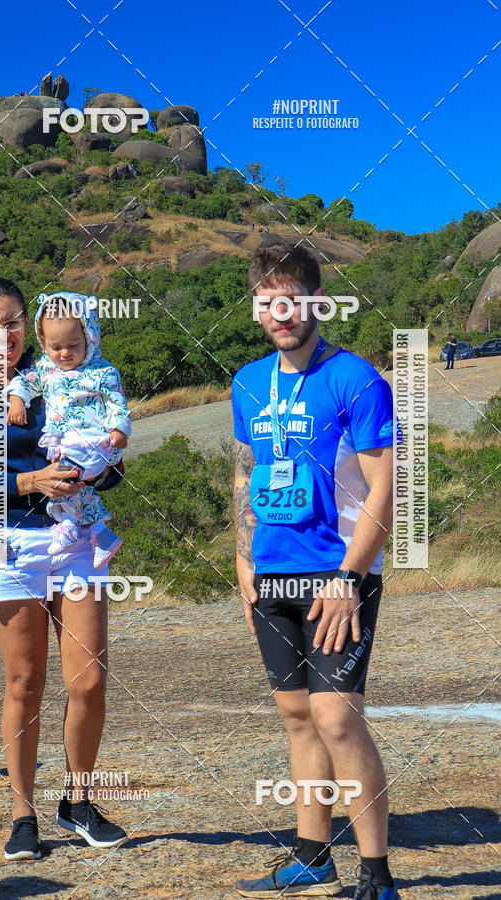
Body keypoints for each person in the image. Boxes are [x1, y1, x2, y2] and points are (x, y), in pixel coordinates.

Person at [0, 278, 128, 861]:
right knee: (24, 682)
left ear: (29, 324)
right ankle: (23, 815)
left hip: (76, 537)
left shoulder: (64, 371)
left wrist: (97, 467)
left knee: (88, 680)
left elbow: (113, 467)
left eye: (12, 322)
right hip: (4, 543)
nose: (2, 335)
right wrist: (28, 482)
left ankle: (78, 801)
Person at [231, 243, 401, 899]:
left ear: (316, 304)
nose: (281, 312)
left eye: (292, 299)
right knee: (298, 716)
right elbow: (244, 473)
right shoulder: (248, 383)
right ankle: (311, 855)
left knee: (337, 718)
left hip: (337, 575)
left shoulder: (358, 379)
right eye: (268, 301)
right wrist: (242, 559)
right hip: (272, 574)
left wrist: (348, 579)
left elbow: (386, 488)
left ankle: (377, 875)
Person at [6, 292, 130, 565]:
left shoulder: (101, 372)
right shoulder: (47, 370)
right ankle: (99, 533)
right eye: (55, 347)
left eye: (73, 345)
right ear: (43, 343)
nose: (64, 353)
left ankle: (72, 527)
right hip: (64, 446)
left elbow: (116, 401)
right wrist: (16, 401)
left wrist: (119, 429)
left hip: (94, 442)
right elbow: (25, 381)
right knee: (70, 485)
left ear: (90, 338)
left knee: (64, 480)